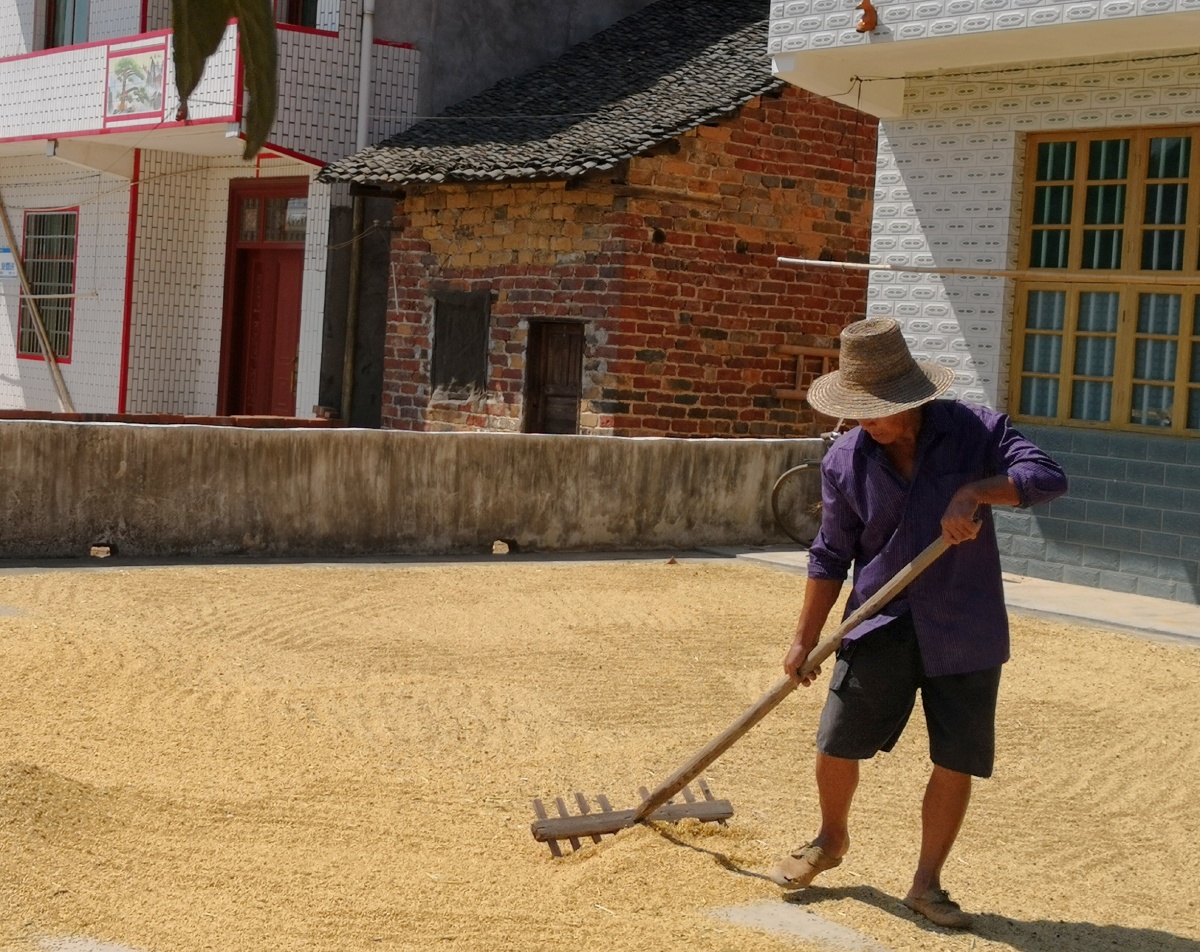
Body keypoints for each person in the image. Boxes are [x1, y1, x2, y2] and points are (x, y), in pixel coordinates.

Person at [770, 317, 1067, 930]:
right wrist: (805, 636)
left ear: (912, 396)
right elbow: (830, 553)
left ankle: (927, 884)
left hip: (965, 622)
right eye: (857, 412)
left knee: (956, 755)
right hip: (880, 618)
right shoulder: (846, 460)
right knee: (836, 739)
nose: (867, 423)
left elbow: (1046, 478)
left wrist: (978, 493)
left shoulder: (976, 431)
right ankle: (829, 840)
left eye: (878, 410)